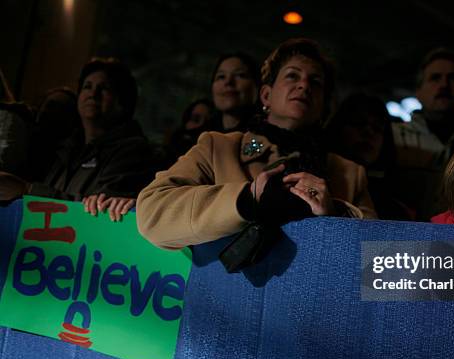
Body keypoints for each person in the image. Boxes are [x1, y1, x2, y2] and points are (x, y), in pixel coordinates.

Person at [137, 38, 377, 251]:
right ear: (265, 96)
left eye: (315, 82)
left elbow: (377, 266)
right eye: (292, 75)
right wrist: (246, 199)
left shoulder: (349, 174)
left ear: (324, 106)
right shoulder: (218, 148)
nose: (304, 85)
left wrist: (334, 214)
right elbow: (151, 214)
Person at [0, 58, 156, 221]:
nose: (93, 94)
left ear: (124, 101)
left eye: (104, 88)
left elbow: (104, 215)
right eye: (87, 86)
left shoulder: (134, 152)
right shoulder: (65, 149)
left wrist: (28, 190)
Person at [393, 48, 454, 220]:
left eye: (453, 78)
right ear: (418, 92)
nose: (444, 85)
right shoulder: (393, 137)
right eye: (435, 78)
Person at [325, 93, 413, 220]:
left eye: (377, 128)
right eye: (358, 123)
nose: (368, 132)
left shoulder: (397, 207)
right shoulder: (320, 181)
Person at [208, 52, 259, 133]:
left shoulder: (265, 136)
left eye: (240, 75)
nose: (228, 82)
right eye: (221, 76)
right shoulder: (199, 138)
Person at [164, 98, 214, 165]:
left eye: (206, 120)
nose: (201, 123)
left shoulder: (207, 139)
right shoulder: (178, 134)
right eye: (196, 118)